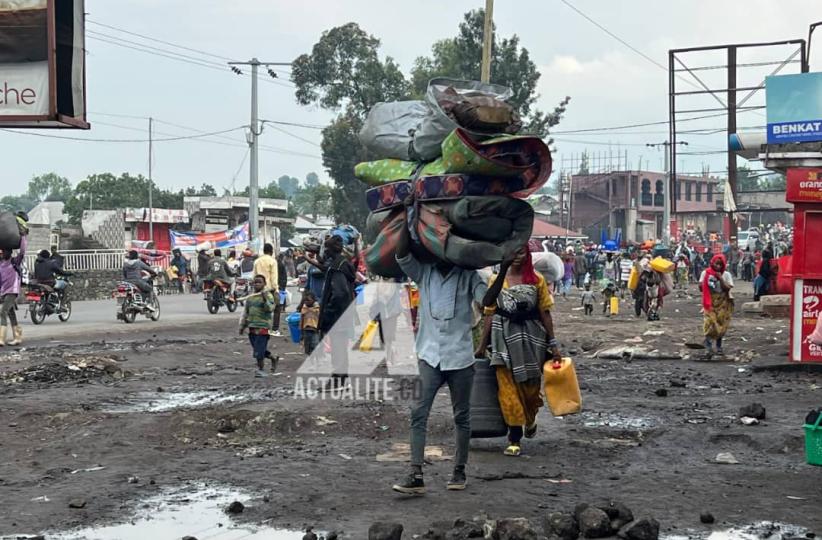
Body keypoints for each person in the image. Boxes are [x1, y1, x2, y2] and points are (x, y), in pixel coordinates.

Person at [391, 219, 488, 495]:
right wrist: (407, 215)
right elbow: (401, 255)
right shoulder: (424, 273)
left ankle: (459, 470)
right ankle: (415, 473)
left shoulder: (469, 276)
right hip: (429, 355)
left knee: (462, 416)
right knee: (418, 412)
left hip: (460, 357)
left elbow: (486, 299)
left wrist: (503, 271)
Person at [476, 246, 559, 457]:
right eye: (512, 253)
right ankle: (514, 437)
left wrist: (554, 344)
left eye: (520, 253)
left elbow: (545, 313)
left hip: (532, 340)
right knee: (507, 389)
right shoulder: (496, 279)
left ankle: (530, 419)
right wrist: (481, 345)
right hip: (502, 339)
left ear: (527, 256)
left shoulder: (537, 280)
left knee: (530, 390)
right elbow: (489, 313)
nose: (515, 257)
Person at [318, 234, 357, 389]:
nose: (324, 252)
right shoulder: (342, 264)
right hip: (344, 314)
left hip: (338, 316)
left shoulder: (337, 267)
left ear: (329, 250)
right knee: (339, 347)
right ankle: (341, 379)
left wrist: (328, 313)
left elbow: (340, 294)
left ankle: (337, 381)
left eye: (325, 249)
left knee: (338, 348)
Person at [239, 275, 276, 378]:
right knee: (258, 348)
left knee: (258, 351)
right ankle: (272, 357)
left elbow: (270, 308)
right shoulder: (251, 298)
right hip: (252, 327)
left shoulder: (268, 296)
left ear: (264, 284)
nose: (257, 284)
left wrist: (264, 299)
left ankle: (261, 370)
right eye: (255, 282)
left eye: (259, 282)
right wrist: (242, 326)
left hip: (263, 327)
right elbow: (246, 313)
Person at [700, 254, 734, 355]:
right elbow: (701, 288)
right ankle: (708, 345)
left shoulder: (726, 275)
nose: (718, 266)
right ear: (712, 263)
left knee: (721, 323)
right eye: (716, 264)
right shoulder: (705, 273)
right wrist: (704, 283)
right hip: (709, 301)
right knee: (709, 322)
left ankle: (719, 346)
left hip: (722, 301)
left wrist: (720, 278)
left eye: (720, 264)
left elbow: (727, 288)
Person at [0, 234, 27, 346]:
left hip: (12, 290)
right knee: (11, 314)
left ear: (9, 253)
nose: (1, 254)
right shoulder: (1, 264)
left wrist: (23, 237)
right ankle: (17, 337)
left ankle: (1, 338)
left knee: (2, 312)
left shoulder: (14, 261)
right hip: (3, 291)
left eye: (3, 252)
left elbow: (22, 252)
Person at [271, 252, 288, 337]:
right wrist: (282, 288)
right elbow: (284, 277)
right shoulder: (280, 264)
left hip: (270, 288)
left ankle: (269, 328)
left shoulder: (274, 263)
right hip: (278, 288)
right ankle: (275, 329)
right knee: (277, 309)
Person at [300, 290, 321, 356]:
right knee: (307, 347)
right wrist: (301, 331)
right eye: (305, 300)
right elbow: (302, 320)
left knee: (315, 345)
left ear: (313, 300)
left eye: (308, 300)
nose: (306, 302)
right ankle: (311, 361)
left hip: (315, 330)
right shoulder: (304, 308)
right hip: (306, 329)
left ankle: (317, 361)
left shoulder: (317, 309)